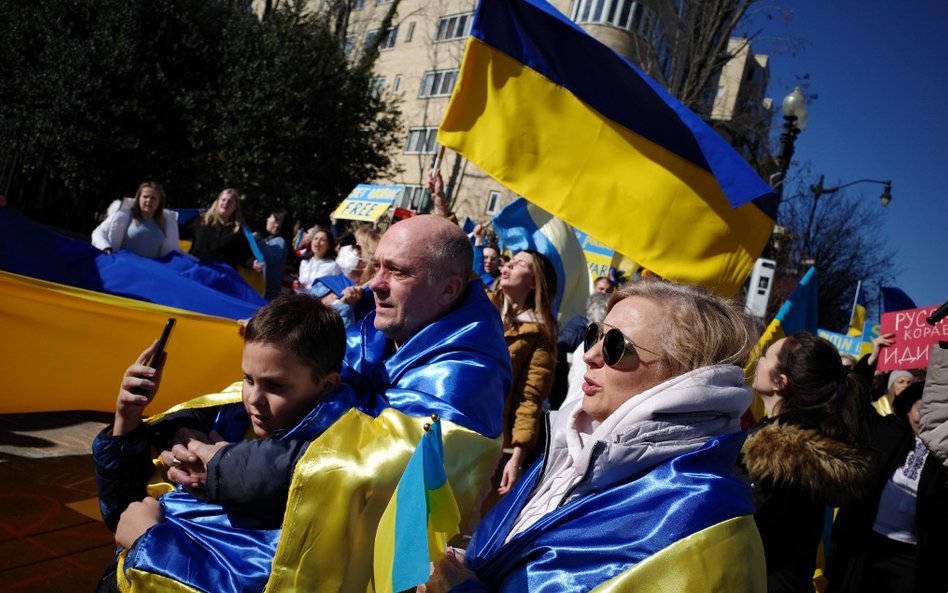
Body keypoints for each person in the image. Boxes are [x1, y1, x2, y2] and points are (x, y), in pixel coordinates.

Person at [162, 214, 512, 527]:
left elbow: (374, 472)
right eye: (376, 267)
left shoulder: (470, 375)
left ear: (448, 289)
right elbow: (298, 388)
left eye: (398, 271)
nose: (376, 283)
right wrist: (193, 430)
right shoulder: (383, 329)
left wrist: (226, 466)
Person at [424, 277, 767, 592]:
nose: (589, 355)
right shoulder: (575, 444)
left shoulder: (703, 516)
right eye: (594, 335)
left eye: (615, 345)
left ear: (681, 373)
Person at [92, 294, 357, 593]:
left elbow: (254, 578)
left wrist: (148, 540)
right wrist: (126, 419)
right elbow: (124, 511)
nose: (253, 399)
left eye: (276, 385)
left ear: (327, 385)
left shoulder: (321, 473)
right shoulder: (225, 421)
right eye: (248, 379)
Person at [744, 332, 874, 593]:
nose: (757, 360)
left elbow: (741, 530)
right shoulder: (802, 438)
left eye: (766, 356)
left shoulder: (778, 452)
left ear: (780, 381)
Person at [828, 379, 948, 593]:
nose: (926, 418)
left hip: (910, 555)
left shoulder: (943, 455)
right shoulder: (888, 432)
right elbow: (856, 406)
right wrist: (869, 365)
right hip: (866, 542)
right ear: (909, 411)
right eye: (922, 409)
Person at [484, 249, 557, 503]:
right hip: (443, 417)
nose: (509, 265)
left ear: (534, 282)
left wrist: (516, 457)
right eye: (509, 261)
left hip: (487, 437)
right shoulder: (479, 303)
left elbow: (530, 396)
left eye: (519, 264)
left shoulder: (540, 332)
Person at [91, 182, 182, 258]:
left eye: (153, 198)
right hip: (123, 268)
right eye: (145, 196)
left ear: (159, 202)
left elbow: (173, 249)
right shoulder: (122, 215)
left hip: (150, 272)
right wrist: (106, 247)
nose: (149, 200)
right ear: (138, 198)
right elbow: (98, 233)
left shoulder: (167, 222)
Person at [188, 188, 255, 269]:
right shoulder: (199, 221)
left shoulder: (239, 231)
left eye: (230, 202)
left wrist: (253, 264)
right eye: (223, 200)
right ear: (217, 202)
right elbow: (177, 234)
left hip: (221, 277)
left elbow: (244, 256)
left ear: (235, 207)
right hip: (195, 272)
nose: (226, 203)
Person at [253, 208, 289, 300]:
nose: (267, 219)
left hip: (268, 294)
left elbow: (270, 258)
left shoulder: (280, 241)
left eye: (270, 217)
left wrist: (259, 241)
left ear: (277, 222)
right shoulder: (268, 241)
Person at [295, 225, 341, 290]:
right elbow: (301, 284)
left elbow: (337, 288)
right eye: (315, 238)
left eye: (322, 240)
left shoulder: (333, 266)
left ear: (329, 245)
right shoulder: (304, 262)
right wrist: (297, 285)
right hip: (300, 299)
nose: (317, 242)